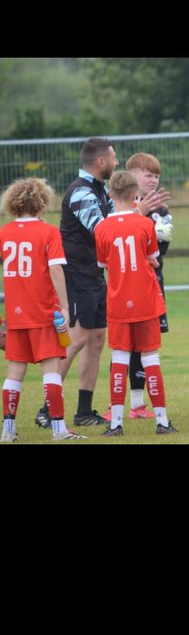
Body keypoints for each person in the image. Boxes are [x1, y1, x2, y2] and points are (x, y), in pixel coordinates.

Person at [35, 138, 169, 429]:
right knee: (78, 338)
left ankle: (84, 410)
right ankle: (48, 407)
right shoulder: (81, 192)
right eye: (113, 158)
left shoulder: (99, 189)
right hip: (77, 274)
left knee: (96, 340)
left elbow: (117, 221)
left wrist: (137, 211)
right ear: (100, 162)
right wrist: (140, 215)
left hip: (94, 275)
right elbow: (104, 230)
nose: (117, 162)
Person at [1, 178, 86, 442]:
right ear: (42, 202)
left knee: (14, 373)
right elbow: (55, 269)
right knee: (51, 370)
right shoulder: (48, 232)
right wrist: (64, 304)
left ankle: (8, 429)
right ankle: (59, 429)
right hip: (43, 312)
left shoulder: (4, 233)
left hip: (16, 315)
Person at [94, 171, 177, 436]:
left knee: (119, 359)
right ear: (134, 196)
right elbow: (153, 256)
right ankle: (162, 421)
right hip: (145, 300)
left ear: (109, 194)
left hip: (118, 301)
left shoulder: (101, 227)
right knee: (150, 358)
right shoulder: (144, 224)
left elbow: (104, 264)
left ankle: (116, 423)